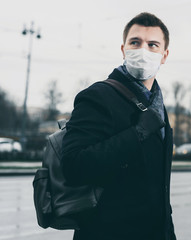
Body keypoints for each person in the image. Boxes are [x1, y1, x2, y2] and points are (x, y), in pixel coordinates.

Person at [61, 12, 176, 240]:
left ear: (164, 55)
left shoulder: (157, 104)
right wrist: (138, 133)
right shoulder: (97, 96)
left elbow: (160, 190)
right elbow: (73, 166)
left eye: (153, 45)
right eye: (135, 42)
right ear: (123, 49)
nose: (143, 50)